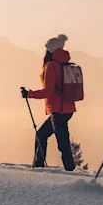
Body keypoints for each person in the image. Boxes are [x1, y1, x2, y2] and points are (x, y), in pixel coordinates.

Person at [21, 34, 76, 171]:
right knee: (43, 135)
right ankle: (40, 165)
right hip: (68, 108)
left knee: (61, 141)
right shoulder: (65, 63)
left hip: (58, 110)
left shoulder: (52, 66)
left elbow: (48, 91)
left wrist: (29, 94)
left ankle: (68, 168)